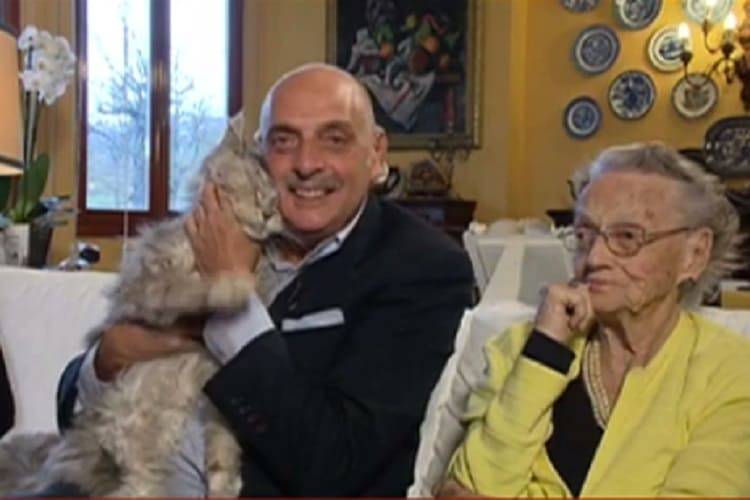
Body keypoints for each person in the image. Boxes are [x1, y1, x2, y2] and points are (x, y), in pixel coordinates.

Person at [57, 63, 474, 496]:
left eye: (334, 139)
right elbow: (70, 403)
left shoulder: (422, 267)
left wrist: (231, 294)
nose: (307, 164)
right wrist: (105, 361)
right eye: (284, 141)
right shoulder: (222, 231)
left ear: (376, 153)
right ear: (259, 154)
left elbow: (336, 462)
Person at [440, 142, 750, 497]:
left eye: (627, 237)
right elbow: (466, 487)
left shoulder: (731, 372)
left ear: (694, 254)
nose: (595, 258)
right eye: (584, 235)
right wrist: (545, 354)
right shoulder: (521, 346)